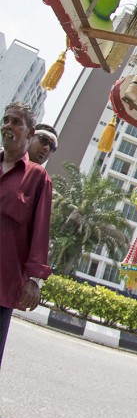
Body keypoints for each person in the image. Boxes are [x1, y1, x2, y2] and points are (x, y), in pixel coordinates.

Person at [0, 102, 52, 369]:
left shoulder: (37, 177)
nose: (8, 126)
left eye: (16, 122)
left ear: (29, 133)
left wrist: (33, 280)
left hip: (3, 282)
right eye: (6, 120)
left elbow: (40, 231)